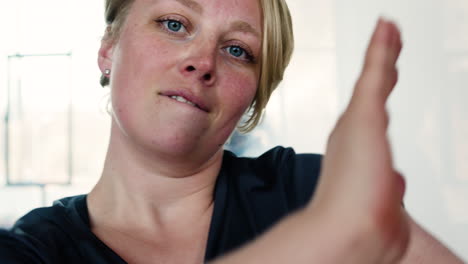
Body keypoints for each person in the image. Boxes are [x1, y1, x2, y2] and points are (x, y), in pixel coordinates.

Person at [0, 0, 464, 263]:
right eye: (174, 23)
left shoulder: (311, 191)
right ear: (108, 49)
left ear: (254, 99)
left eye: (238, 50)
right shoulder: (33, 251)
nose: (202, 62)